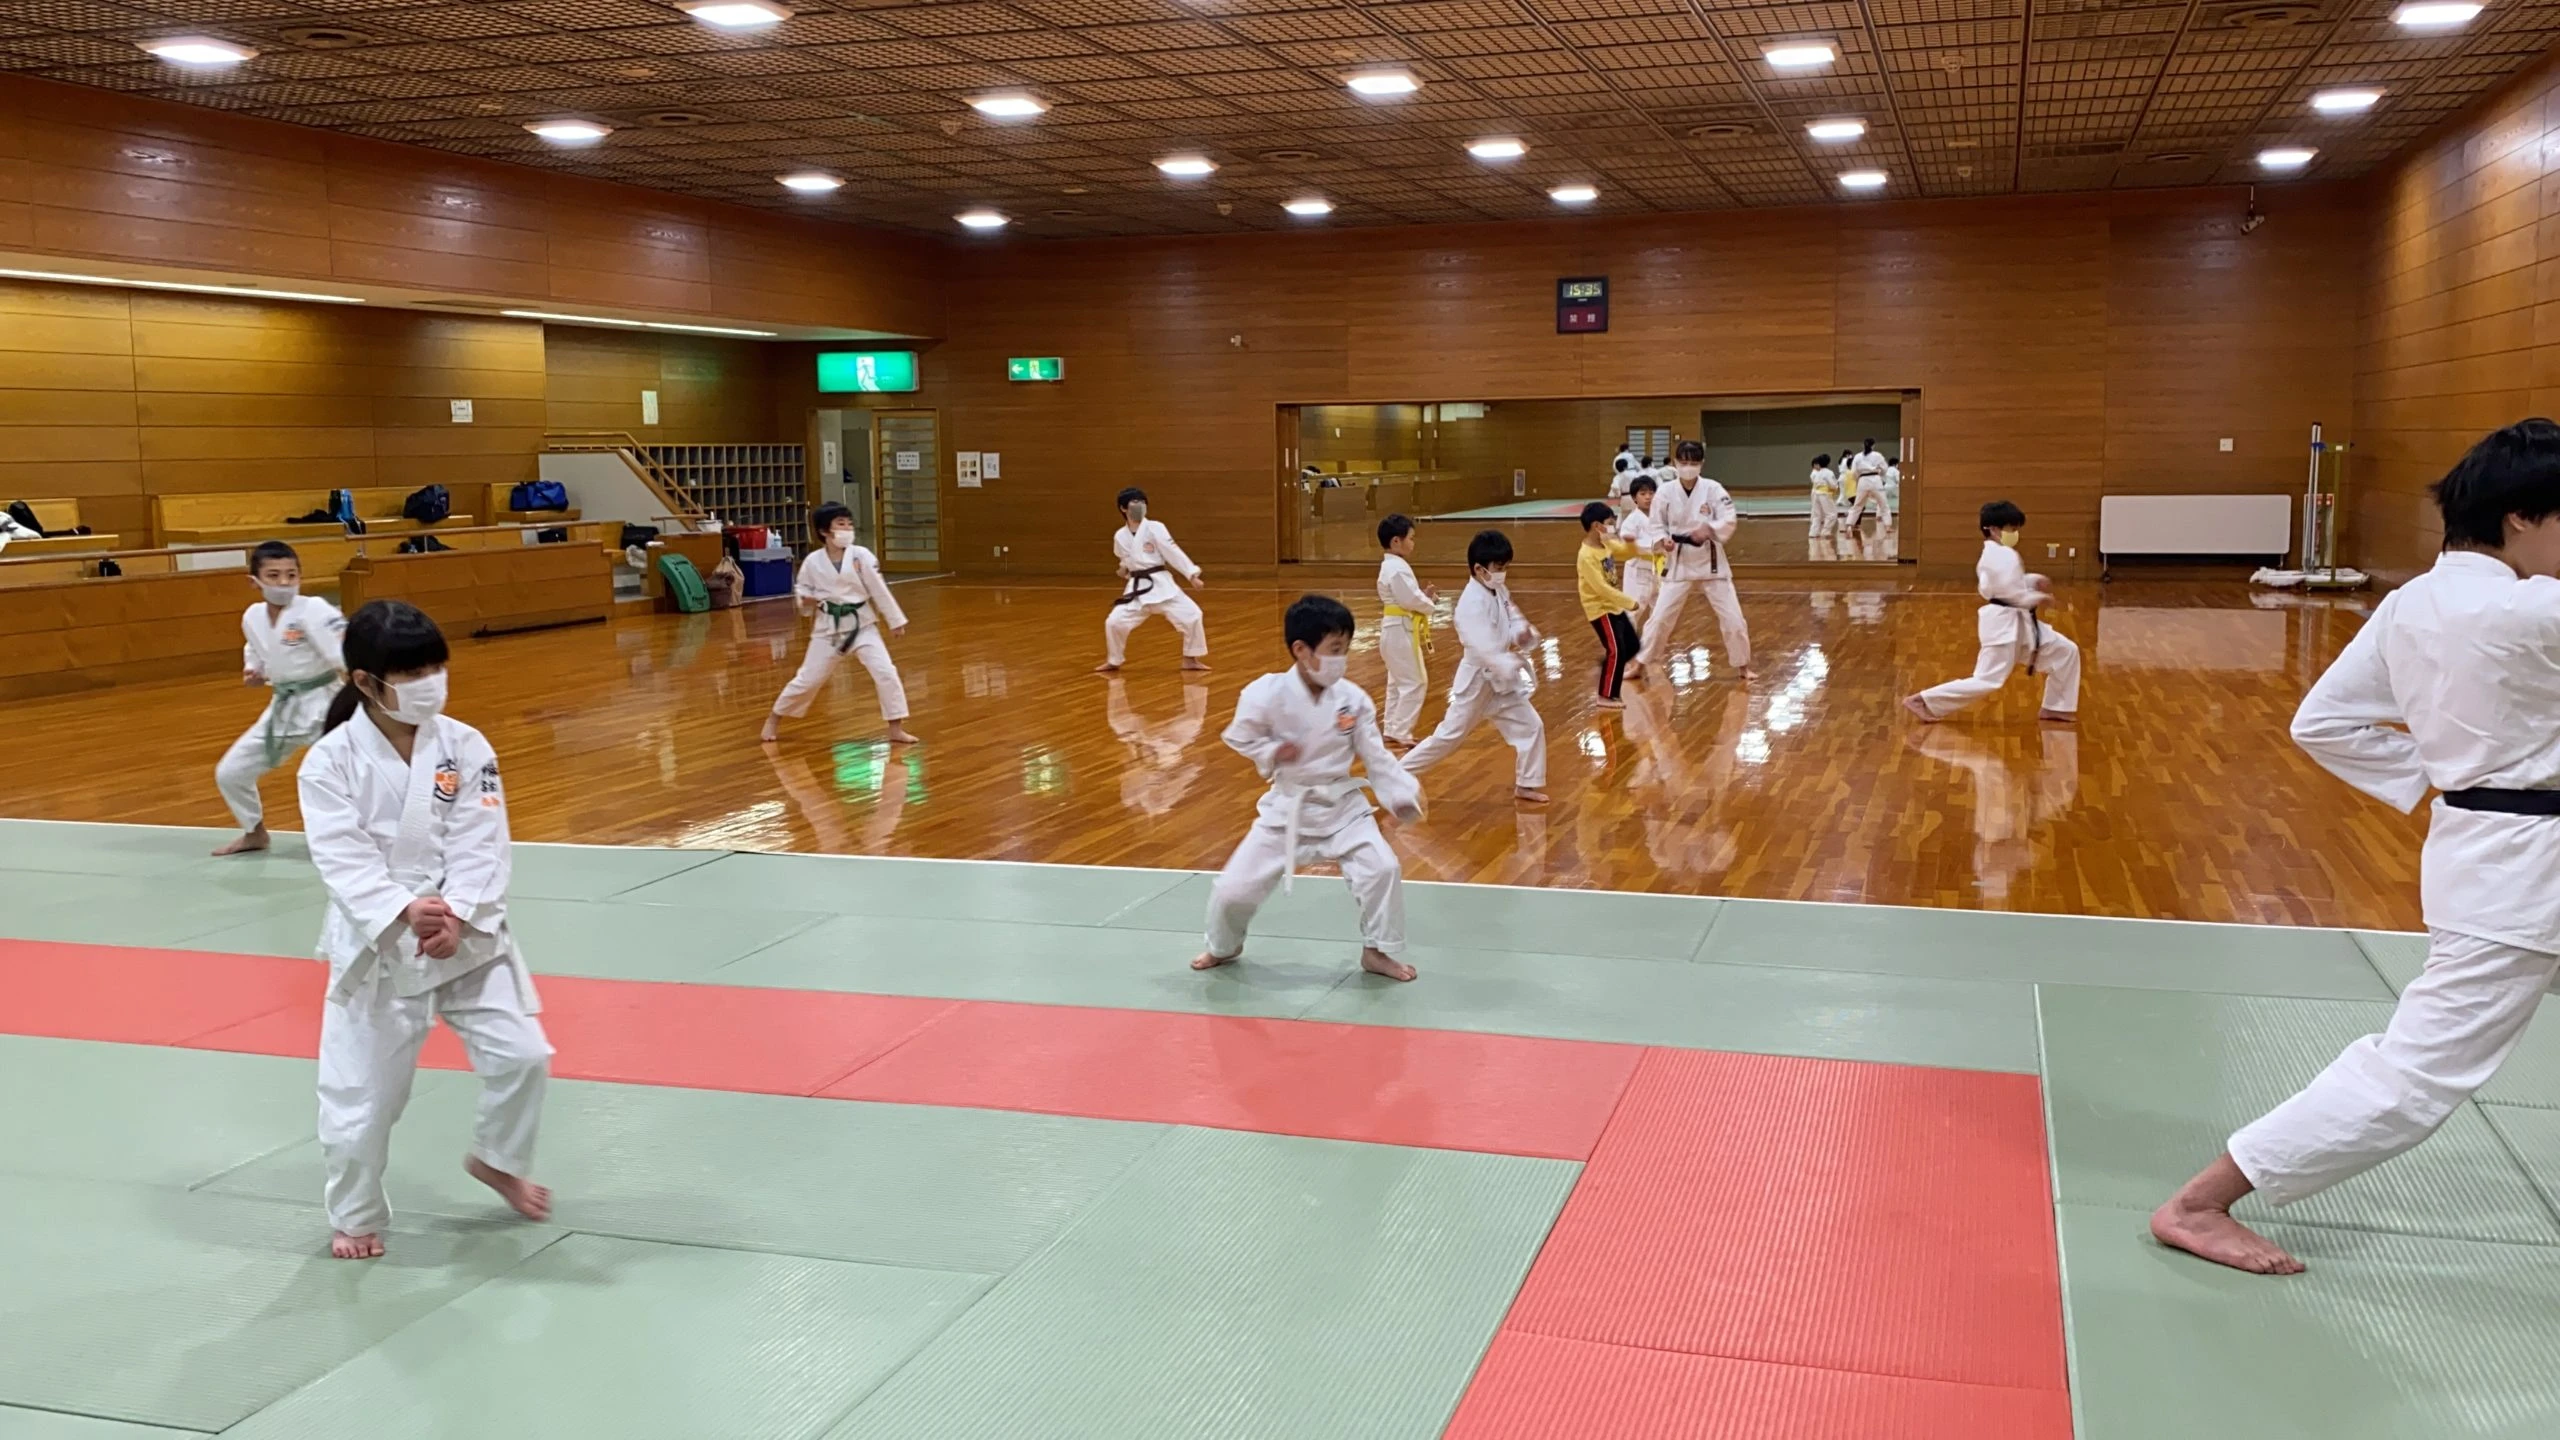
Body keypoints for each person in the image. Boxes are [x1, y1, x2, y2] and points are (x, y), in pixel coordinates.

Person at [2151, 419, 2560, 1276]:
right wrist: (2467, 774)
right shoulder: (2532, 610)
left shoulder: (2414, 602)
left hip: (2490, 848)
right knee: (2415, 1076)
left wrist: (2444, 774)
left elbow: (2323, 722)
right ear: (2522, 517)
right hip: (2523, 878)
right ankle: (2200, 1202)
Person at [299, 600, 551, 1261]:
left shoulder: (465, 745)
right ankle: (354, 1216)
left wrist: (459, 912)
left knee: (525, 1055)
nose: (431, 681)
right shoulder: (328, 763)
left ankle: (497, 1159)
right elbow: (341, 858)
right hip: (381, 940)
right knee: (362, 1103)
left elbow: (483, 838)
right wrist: (403, 911)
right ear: (365, 682)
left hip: (465, 930)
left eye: (437, 665)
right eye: (412, 671)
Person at [1193, 593, 1425, 983]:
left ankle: (1377, 951)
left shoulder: (1353, 700)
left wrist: (1400, 795)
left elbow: (1376, 756)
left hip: (1343, 808)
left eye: (1345, 649)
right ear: (1301, 650)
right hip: (1288, 807)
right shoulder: (1264, 693)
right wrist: (1272, 751)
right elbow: (1238, 736)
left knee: (1382, 870)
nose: (1342, 659)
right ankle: (1223, 946)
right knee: (1233, 891)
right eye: (1335, 649)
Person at [212, 541, 346, 856]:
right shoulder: (253, 616)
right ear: (254, 581)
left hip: (326, 704)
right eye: (273, 575)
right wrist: (254, 670)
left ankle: (356, 840)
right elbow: (256, 649)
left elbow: (344, 652)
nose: (284, 583)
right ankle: (254, 832)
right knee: (230, 773)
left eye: (291, 574)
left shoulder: (314, 609)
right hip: (283, 708)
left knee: (336, 777)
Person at [1401, 530, 1548, 803]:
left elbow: (1513, 617)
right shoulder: (1469, 603)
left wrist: (1523, 634)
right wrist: (1505, 662)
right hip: (1478, 681)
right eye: (1499, 568)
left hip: (1501, 683)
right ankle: (1397, 774)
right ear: (1479, 569)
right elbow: (1482, 645)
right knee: (1448, 737)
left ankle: (1527, 783)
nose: (1503, 574)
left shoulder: (1499, 590)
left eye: (1505, 568)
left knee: (1532, 726)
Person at [1902, 500, 2081, 724]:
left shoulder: (1995, 554)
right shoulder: (2002, 556)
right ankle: (1924, 700)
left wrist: (2033, 581)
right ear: (1994, 529)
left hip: (2015, 624)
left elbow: (2002, 587)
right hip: (2004, 626)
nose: (2015, 534)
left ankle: (2057, 707)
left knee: (2065, 651)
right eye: (2011, 529)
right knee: (1987, 679)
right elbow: (2012, 595)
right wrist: (2039, 597)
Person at [762, 503, 917, 746]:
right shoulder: (813, 561)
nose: (847, 528)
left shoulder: (861, 556)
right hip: (828, 629)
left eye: (849, 524)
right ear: (825, 531)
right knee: (808, 679)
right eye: (840, 524)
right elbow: (802, 590)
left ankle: (895, 728)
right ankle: (774, 718)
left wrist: (894, 620)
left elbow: (878, 588)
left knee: (886, 672)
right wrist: (806, 600)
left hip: (862, 625)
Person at [1637, 440, 1754, 680]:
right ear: (1676, 462)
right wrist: (1663, 540)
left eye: (1693, 462)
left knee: (1733, 619)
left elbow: (1729, 519)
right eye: (1684, 462)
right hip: (1678, 560)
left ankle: (1743, 666)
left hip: (1711, 561)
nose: (1688, 467)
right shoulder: (1665, 492)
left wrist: (1709, 529)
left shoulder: (1713, 489)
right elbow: (1656, 524)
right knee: (1659, 619)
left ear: (1701, 464)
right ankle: (1639, 663)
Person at [1097, 486, 1209, 673]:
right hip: (1137, 588)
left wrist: (1191, 574)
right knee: (1114, 622)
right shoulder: (1120, 535)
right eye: (1135, 503)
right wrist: (1124, 569)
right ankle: (1114, 660)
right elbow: (1125, 558)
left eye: (1142, 502)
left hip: (1162, 584)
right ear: (1123, 508)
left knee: (1193, 615)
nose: (1140, 506)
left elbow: (1172, 551)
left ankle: (1190, 659)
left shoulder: (1155, 528)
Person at [1375, 513, 1438, 747]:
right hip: (1399, 630)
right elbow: (1410, 599)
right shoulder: (1397, 569)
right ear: (1395, 541)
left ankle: (1393, 727)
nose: (1413, 543)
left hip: (1394, 629)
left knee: (1397, 681)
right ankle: (1401, 729)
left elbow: (1409, 597)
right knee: (1415, 681)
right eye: (1410, 538)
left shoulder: (1392, 567)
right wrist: (1429, 603)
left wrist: (1424, 597)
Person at [1577, 502, 1644, 709]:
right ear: (1597, 526)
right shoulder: (1586, 556)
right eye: (1609, 523)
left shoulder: (1606, 544)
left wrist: (1632, 544)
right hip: (1599, 608)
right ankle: (1605, 696)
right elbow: (1601, 588)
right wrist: (1629, 602)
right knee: (1617, 650)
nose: (1612, 527)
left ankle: (1608, 667)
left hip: (1613, 606)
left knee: (1632, 645)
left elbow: (1625, 553)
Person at [1618, 473, 1670, 631]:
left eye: (1651, 493)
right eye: (1643, 494)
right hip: (1638, 571)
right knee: (1633, 609)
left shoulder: (1662, 517)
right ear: (1634, 498)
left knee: (1660, 610)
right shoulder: (1632, 521)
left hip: (1659, 570)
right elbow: (1627, 545)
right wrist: (1652, 545)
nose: (1648, 497)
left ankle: (1652, 642)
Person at [1841, 439, 1890, 532]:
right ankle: (1887, 526)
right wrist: (1881, 475)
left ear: (1863, 445)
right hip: (1875, 479)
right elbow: (1884, 468)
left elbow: (1854, 471)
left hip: (1862, 480)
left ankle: (1849, 525)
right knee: (1883, 504)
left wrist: (1858, 479)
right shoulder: (1877, 455)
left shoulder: (1858, 456)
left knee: (1857, 505)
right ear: (1873, 445)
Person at [1808, 454, 1840, 539]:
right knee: (1832, 514)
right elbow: (1833, 485)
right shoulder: (1828, 472)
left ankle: (1813, 532)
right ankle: (1825, 531)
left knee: (1817, 515)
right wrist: (1836, 487)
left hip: (1816, 494)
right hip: (1824, 494)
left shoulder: (1817, 472)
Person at [1882, 455, 1903, 524]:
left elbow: (1883, 479)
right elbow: (1898, 480)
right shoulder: (1896, 471)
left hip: (1885, 487)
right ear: (1895, 464)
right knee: (1899, 498)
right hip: (1893, 487)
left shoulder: (1886, 470)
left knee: (1883, 503)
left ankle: (1880, 516)